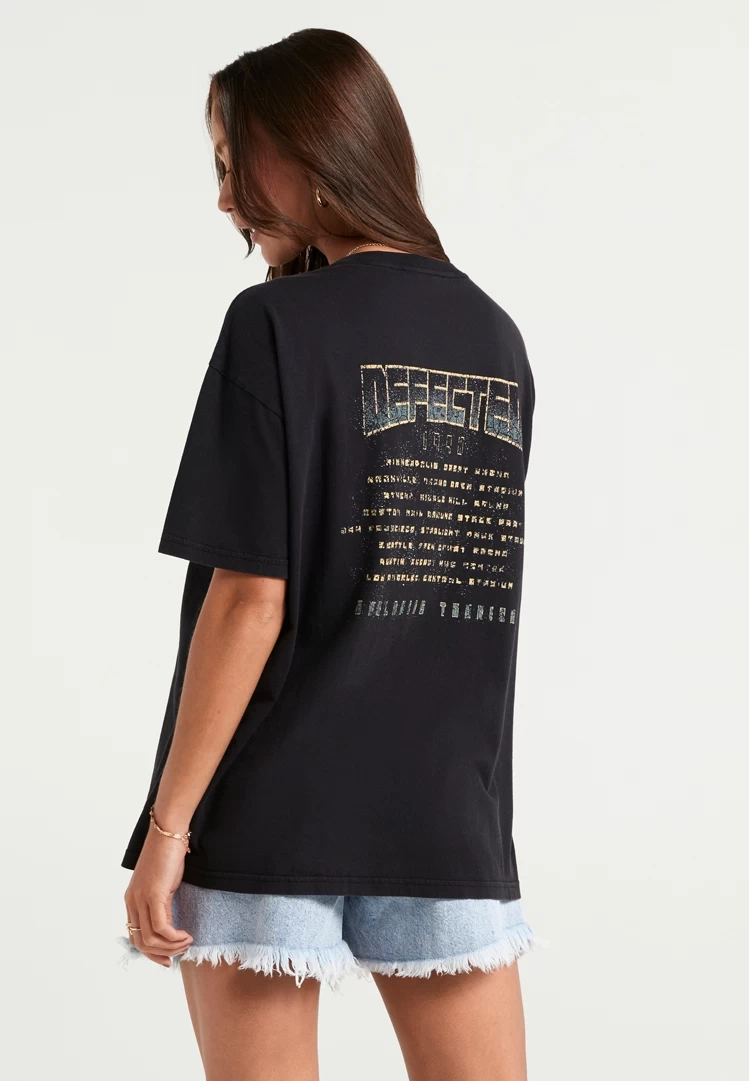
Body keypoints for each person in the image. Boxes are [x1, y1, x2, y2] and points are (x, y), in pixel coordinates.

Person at [117, 27, 539, 1081]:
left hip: (269, 808)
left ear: (310, 148)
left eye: (233, 161)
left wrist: (167, 826)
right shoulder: (494, 336)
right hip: (446, 816)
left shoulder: (274, 325)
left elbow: (248, 599)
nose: (225, 197)